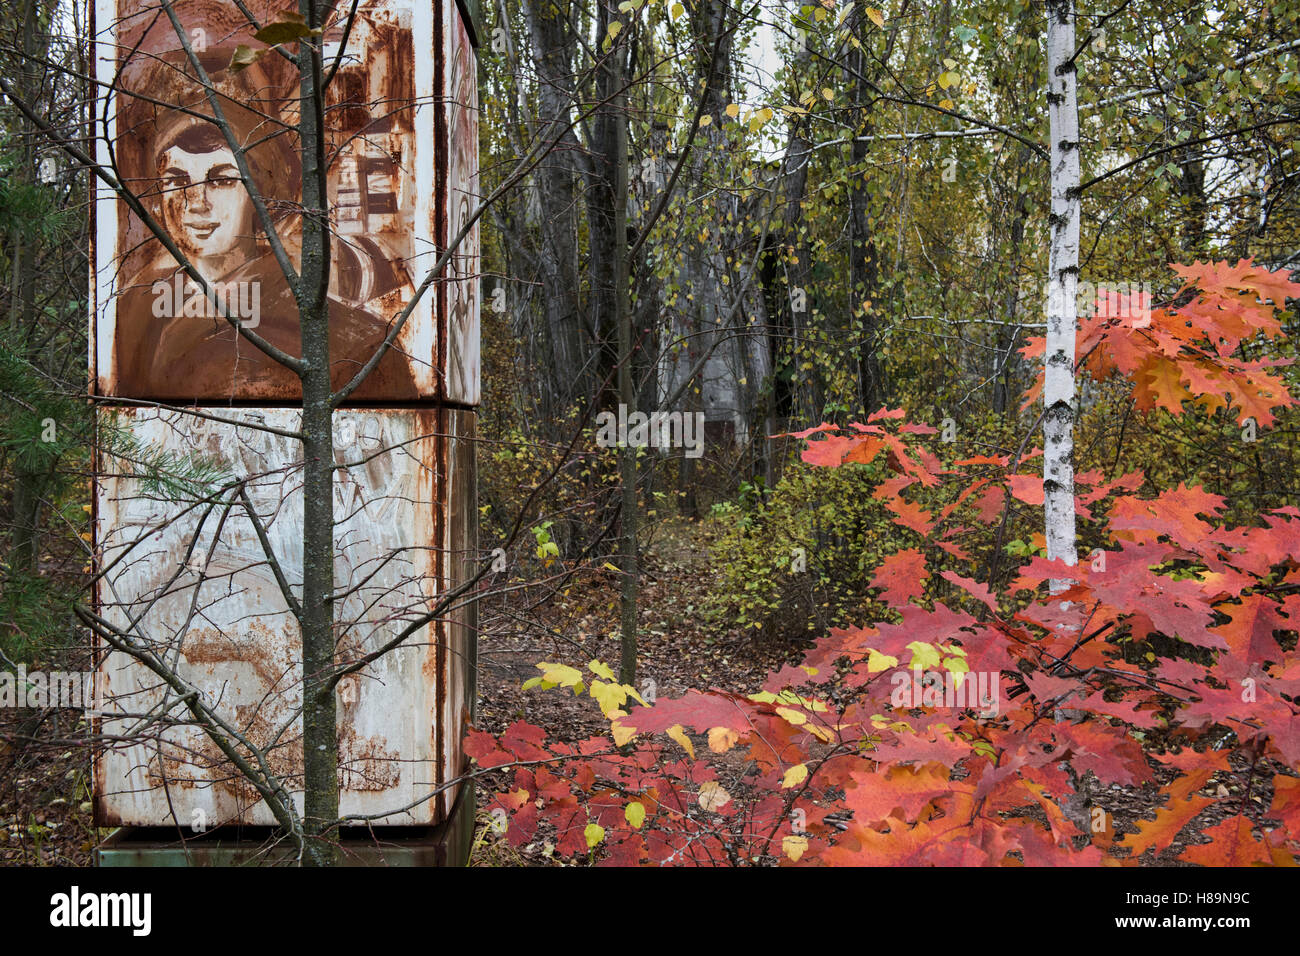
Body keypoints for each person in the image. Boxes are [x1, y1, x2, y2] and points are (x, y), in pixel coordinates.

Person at [114, 56, 420, 401]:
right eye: (177, 180)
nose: (196, 203)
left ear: (258, 191)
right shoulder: (134, 309)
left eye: (222, 180)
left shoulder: (354, 343)